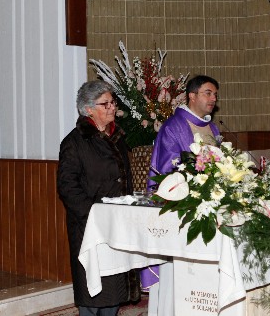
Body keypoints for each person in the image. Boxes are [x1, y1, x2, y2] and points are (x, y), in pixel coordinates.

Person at [58, 80, 140, 315]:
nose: (112, 107)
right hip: (90, 226)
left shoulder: (117, 138)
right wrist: (95, 214)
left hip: (117, 222)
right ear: (88, 109)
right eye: (106, 104)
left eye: (113, 102)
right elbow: (67, 187)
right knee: (93, 290)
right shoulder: (74, 142)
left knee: (114, 288)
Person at [141, 75, 221, 308]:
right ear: (192, 96)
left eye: (215, 95)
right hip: (181, 208)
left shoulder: (212, 127)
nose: (213, 99)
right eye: (208, 93)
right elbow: (167, 171)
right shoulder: (173, 126)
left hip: (208, 206)